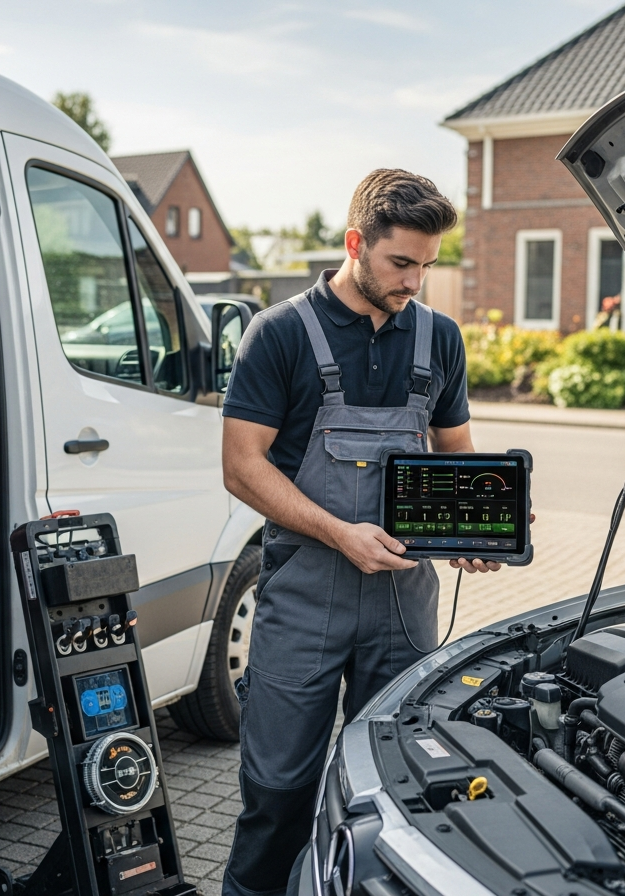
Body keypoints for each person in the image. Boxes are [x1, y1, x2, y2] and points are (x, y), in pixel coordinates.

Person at [219, 169, 503, 896]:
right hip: (306, 594)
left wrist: (477, 520)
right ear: (356, 244)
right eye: (400, 263)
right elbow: (242, 468)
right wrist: (340, 533)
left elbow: (455, 455)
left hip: (403, 602)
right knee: (278, 793)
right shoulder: (280, 333)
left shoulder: (438, 338)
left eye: (427, 265)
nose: (415, 281)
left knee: (397, 786)